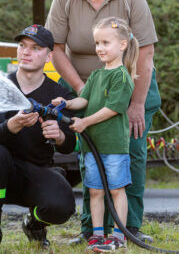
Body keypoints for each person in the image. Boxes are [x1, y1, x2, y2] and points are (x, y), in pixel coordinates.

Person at [45, 0, 161, 244]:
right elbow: (55, 48)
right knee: (90, 156)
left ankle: (129, 228)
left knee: (130, 153)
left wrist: (136, 104)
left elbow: (146, 52)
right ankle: (91, 231)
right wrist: (86, 90)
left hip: (133, 83)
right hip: (85, 84)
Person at [0, 25, 77, 254]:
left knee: (63, 206)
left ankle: (34, 222)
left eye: (35, 48)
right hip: (1, 172)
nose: (26, 52)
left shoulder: (59, 95)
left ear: (49, 55)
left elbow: (70, 144)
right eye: (22, 46)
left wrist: (59, 135)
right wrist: (14, 124)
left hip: (37, 173)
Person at [53, 17, 137, 252]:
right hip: (92, 147)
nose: (99, 48)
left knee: (117, 190)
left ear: (122, 45)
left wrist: (85, 122)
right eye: (97, 43)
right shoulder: (97, 75)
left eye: (105, 43)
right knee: (95, 191)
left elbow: (113, 108)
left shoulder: (122, 76)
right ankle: (97, 235)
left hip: (113, 145)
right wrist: (66, 103)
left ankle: (118, 235)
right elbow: (84, 99)